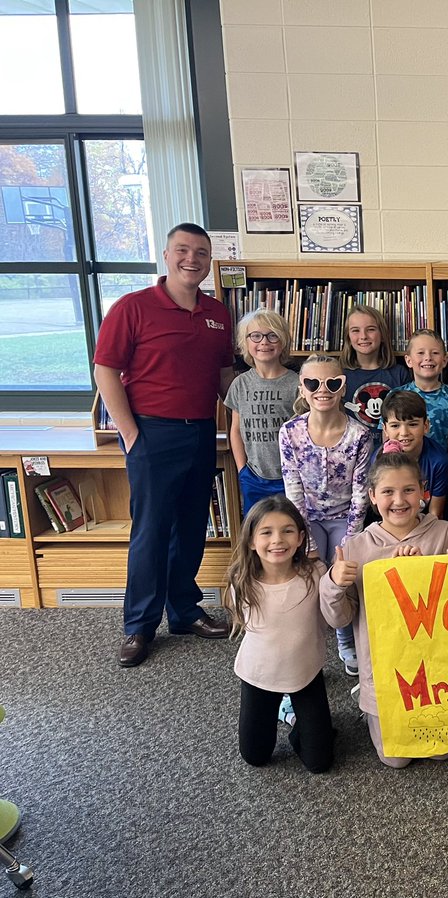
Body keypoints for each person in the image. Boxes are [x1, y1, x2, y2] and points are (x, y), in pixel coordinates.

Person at [93, 222, 235, 668]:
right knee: (151, 531)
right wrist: (131, 433)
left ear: (210, 261)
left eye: (201, 253)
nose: (192, 259)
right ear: (166, 254)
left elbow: (224, 375)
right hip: (152, 433)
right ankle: (138, 626)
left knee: (191, 527)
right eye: (183, 250)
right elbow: (105, 372)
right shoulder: (133, 307)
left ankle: (184, 611)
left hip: (199, 433)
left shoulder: (217, 313)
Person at [319, 450, 448, 769]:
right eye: (387, 492)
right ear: (372, 496)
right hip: (384, 671)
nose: (399, 500)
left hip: (436, 669)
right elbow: (339, 617)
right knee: (395, 758)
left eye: (408, 490)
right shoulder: (356, 548)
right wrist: (333, 582)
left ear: (423, 492)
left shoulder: (444, 534)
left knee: (443, 751)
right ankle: (367, 700)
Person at [224, 496, 333, 773]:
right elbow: (246, 624)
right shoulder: (242, 580)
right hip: (259, 675)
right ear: (251, 541)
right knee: (255, 756)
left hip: (305, 672)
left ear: (300, 538)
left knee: (320, 763)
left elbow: (333, 620)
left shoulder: (316, 574)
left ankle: (296, 718)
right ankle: (286, 711)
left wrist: (339, 587)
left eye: (287, 530)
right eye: (266, 532)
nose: (278, 540)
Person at [279, 354, 373, 677]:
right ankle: (306, 646)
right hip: (306, 520)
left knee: (343, 577)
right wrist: (308, 545)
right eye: (313, 383)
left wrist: (349, 539)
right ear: (302, 390)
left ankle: (346, 639)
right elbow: (294, 493)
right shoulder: (289, 433)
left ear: (343, 387)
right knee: (307, 579)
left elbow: (362, 494)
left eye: (332, 383)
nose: (323, 390)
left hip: (346, 518)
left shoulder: (360, 435)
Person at [225, 309, 300, 516]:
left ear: (283, 341)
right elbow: (236, 430)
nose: (264, 342)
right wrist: (242, 469)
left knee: (290, 527)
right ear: (246, 342)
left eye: (272, 335)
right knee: (257, 528)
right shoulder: (240, 384)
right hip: (253, 475)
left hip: (290, 476)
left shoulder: (296, 384)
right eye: (256, 336)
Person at [340, 304, 411, 439]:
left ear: (382, 335)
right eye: (355, 330)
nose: (363, 336)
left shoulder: (399, 374)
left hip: (390, 451)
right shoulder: (341, 375)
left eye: (371, 329)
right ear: (348, 337)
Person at [379, 391, 448, 520]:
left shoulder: (439, 461)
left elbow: (435, 513)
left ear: (426, 426)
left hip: (426, 527)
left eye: (412, 424)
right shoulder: (379, 460)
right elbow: (382, 511)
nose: (404, 433)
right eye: (395, 425)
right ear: (385, 429)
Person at [396, 329, 448, 449]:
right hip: (404, 465)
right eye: (420, 353)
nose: (428, 357)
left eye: (435, 353)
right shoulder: (396, 396)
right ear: (408, 360)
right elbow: (388, 440)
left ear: (444, 361)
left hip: (443, 466)